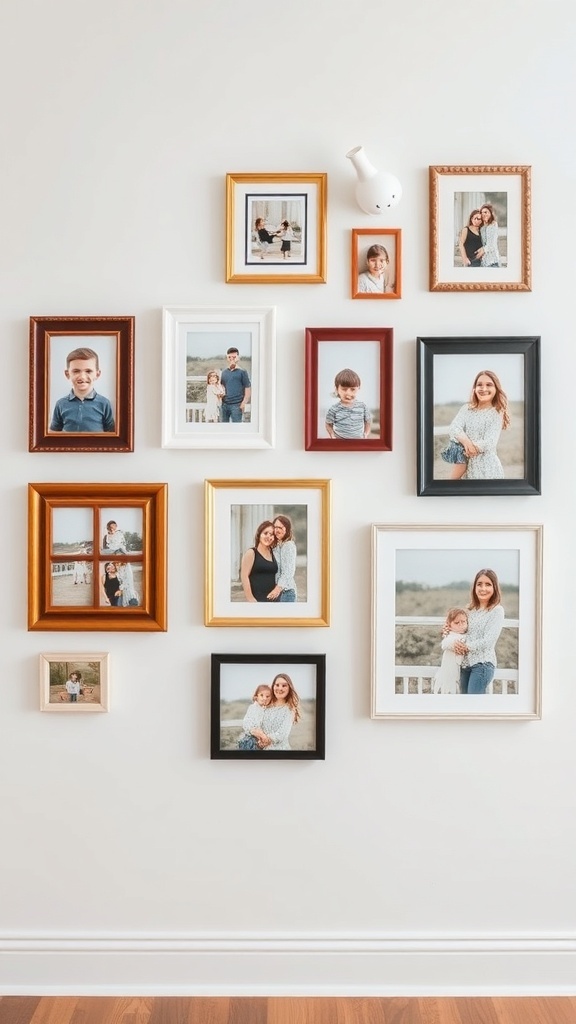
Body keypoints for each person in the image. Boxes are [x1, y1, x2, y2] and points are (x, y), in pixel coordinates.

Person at [448, 569, 505, 695]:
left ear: (495, 587)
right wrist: (448, 631)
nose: (483, 588)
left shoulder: (497, 610)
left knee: (474, 706)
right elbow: (461, 629)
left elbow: (489, 641)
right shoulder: (469, 609)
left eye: (488, 584)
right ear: (474, 587)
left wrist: (466, 647)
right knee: (464, 704)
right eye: (479, 584)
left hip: (482, 664)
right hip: (465, 664)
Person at [446, 370, 510, 480]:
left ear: (496, 389)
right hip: (466, 469)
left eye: (489, 385)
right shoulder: (466, 409)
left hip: (488, 469)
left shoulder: (497, 412)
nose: (483, 388)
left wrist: (465, 449)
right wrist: (466, 442)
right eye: (479, 384)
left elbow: (489, 442)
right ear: (475, 388)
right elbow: (454, 428)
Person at [50, 347, 115, 433]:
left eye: (88, 371)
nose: (82, 377)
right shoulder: (60, 404)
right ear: (67, 374)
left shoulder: (104, 403)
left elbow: (111, 434)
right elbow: (53, 433)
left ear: (97, 374)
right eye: (76, 371)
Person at [251, 674, 301, 751]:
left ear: (289, 688)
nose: (280, 688)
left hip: (279, 752)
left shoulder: (289, 709)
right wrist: (257, 735)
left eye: (284, 685)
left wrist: (265, 740)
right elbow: (251, 721)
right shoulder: (265, 705)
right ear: (273, 686)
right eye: (277, 685)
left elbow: (282, 734)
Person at [325, 368, 372, 439]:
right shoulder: (333, 409)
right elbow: (328, 423)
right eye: (344, 389)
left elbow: (368, 421)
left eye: (353, 389)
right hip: (340, 443)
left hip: (358, 442)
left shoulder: (363, 407)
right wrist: (332, 435)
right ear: (336, 389)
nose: (348, 393)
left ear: (358, 388)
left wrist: (366, 434)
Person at [240, 521, 278, 602]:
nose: (268, 536)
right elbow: (244, 576)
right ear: (259, 534)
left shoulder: (273, 553)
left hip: (274, 600)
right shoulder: (251, 553)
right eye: (265, 533)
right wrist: (250, 598)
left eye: (271, 534)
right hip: (257, 600)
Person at [433, 608, 468, 694]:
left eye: (463, 621)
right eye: (456, 623)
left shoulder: (468, 636)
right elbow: (445, 644)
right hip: (449, 676)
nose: (461, 624)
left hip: (461, 674)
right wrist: (455, 644)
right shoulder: (451, 636)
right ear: (449, 625)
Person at [266, 515, 297, 603]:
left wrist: (277, 590)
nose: (277, 530)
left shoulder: (288, 545)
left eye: (280, 527)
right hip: (278, 592)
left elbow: (288, 572)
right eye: (275, 527)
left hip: (286, 593)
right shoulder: (278, 546)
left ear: (286, 529)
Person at [220, 347, 251, 424]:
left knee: (237, 428)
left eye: (234, 357)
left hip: (237, 405)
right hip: (224, 405)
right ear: (227, 358)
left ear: (238, 358)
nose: (231, 359)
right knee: (223, 427)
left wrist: (243, 403)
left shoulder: (242, 372)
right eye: (229, 357)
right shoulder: (223, 372)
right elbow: (220, 387)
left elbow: (248, 388)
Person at [237, 684, 272, 750]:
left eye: (267, 696)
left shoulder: (268, 710)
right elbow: (247, 722)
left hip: (263, 740)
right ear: (256, 696)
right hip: (251, 738)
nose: (265, 698)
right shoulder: (252, 708)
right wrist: (257, 733)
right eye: (262, 695)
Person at [479, 203, 501, 267]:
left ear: (491, 213)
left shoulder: (493, 224)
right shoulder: (482, 227)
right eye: (482, 212)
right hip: (483, 262)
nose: (483, 214)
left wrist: (480, 252)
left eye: (486, 212)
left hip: (492, 261)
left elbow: (491, 245)